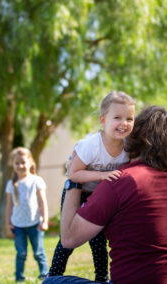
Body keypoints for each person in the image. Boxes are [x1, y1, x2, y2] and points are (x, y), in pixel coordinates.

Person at [44, 106, 167, 284]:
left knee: (52, 282)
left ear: (136, 138)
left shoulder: (121, 180)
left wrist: (74, 177)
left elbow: (69, 238)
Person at [48, 91, 136, 283]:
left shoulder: (129, 147)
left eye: (130, 118)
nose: (124, 123)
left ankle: (101, 278)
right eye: (118, 118)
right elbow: (73, 173)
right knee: (68, 240)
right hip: (77, 193)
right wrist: (101, 175)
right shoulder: (91, 145)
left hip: (99, 197)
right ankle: (53, 276)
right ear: (103, 120)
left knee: (98, 240)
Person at [5, 147, 49, 282]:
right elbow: (9, 206)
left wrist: (45, 221)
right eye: (17, 163)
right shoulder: (11, 184)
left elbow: (43, 203)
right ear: (13, 165)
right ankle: (19, 277)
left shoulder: (37, 181)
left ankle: (45, 275)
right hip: (18, 225)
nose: (20, 166)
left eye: (23, 162)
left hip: (35, 224)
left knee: (38, 252)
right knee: (21, 253)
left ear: (30, 162)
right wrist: (8, 224)